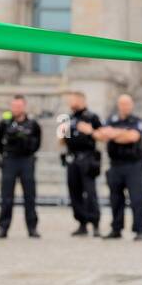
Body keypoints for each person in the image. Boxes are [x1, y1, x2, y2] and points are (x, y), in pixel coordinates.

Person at [93, 94, 142, 240]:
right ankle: (116, 228)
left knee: (137, 199)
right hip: (115, 165)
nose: (125, 107)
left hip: (134, 165)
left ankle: (139, 230)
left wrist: (113, 133)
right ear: (118, 105)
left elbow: (133, 137)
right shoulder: (111, 120)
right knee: (115, 199)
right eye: (122, 104)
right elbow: (99, 135)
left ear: (132, 105)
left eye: (128, 104)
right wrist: (122, 133)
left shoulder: (137, 121)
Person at [0, 94, 42, 239]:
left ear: (24, 106)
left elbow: (38, 142)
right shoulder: (4, 123)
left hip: (26, 160)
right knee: (6, 196)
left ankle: (32, 227)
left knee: (30, 196)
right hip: (10, 160)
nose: (16, 109)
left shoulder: (33, 123)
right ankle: (3, 227)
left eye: (19, 106)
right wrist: (4, 154)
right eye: (14, 106)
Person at [58, 91, 102, 236]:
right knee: (74, 192)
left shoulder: (91, 117)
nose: (71, 102)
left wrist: (90, 131)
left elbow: (101, 136)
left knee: (90, 193)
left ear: (82, 100)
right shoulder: (68, 118)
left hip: (88, 158)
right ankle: (82, 222)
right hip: (72, 158)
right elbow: (62, 141)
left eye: (74, 99)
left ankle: (95, 223)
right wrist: (61, 134)